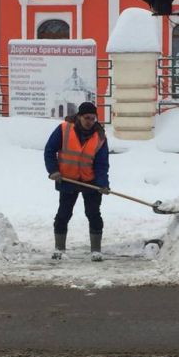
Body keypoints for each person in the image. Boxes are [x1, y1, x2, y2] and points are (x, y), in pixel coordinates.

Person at [44, 101, 110, 261]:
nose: (90, 121)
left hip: (90, 181)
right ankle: (59, 248)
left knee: (93, 214)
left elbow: (102, 163)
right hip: (67, 179)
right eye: (87, 118)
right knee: (63, 214)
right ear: (79, 117)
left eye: (93, 118)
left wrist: (102, 184)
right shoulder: (64, 129)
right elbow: (50, 150)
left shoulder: (100, 136)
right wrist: (53, 170)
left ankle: (96, 250)